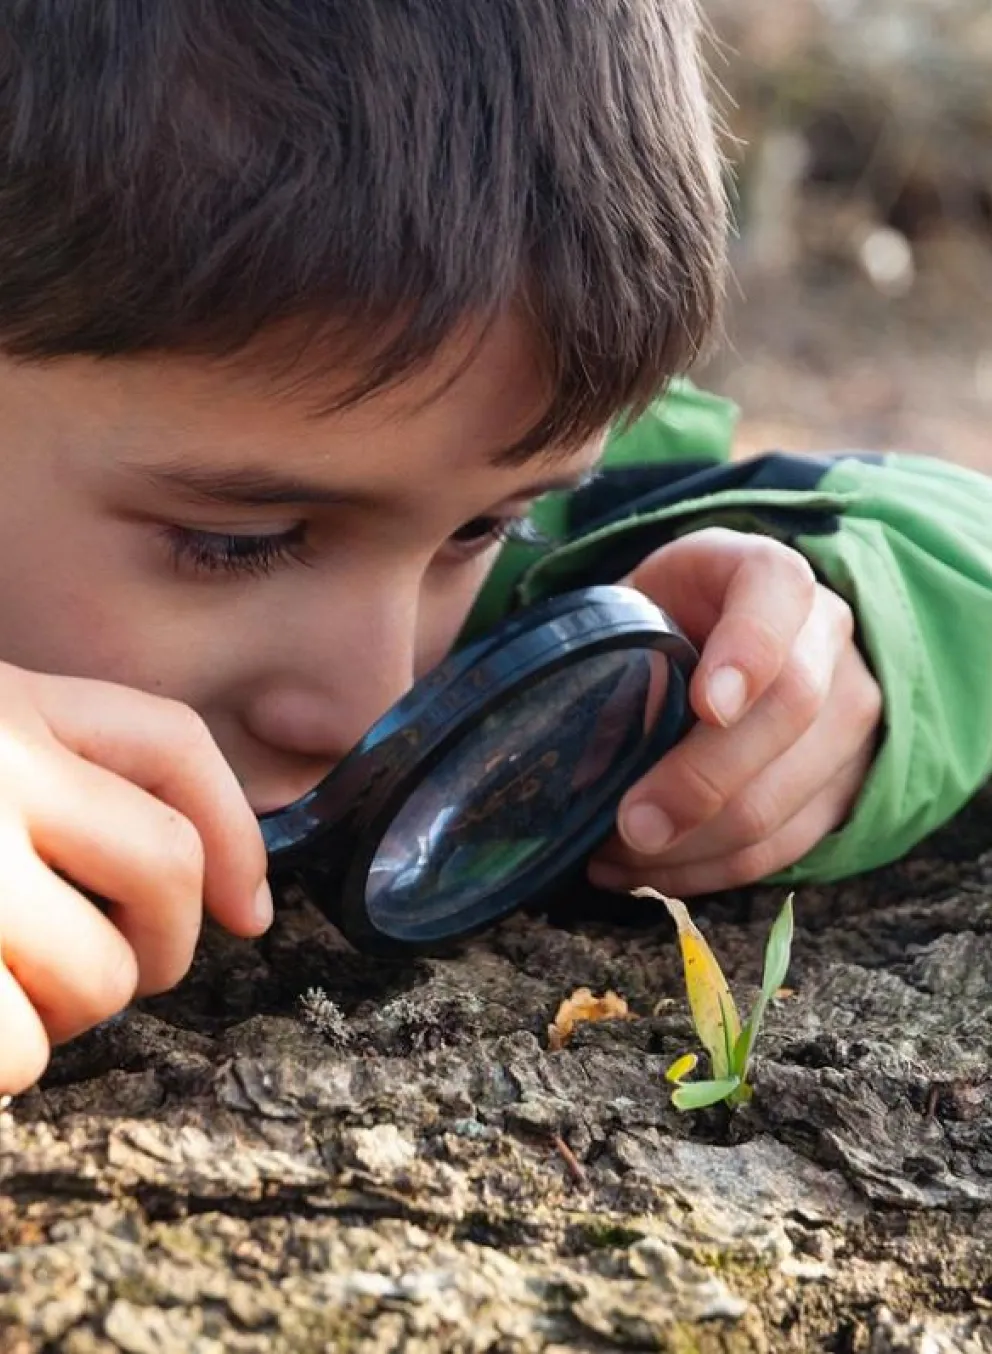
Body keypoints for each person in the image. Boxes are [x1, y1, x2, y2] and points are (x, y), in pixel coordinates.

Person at [0, 0, 988, 1097]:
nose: (374, 694)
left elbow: (957, 534)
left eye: (484, 529)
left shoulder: (462, 448)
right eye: (241, 542)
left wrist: (848, 651)